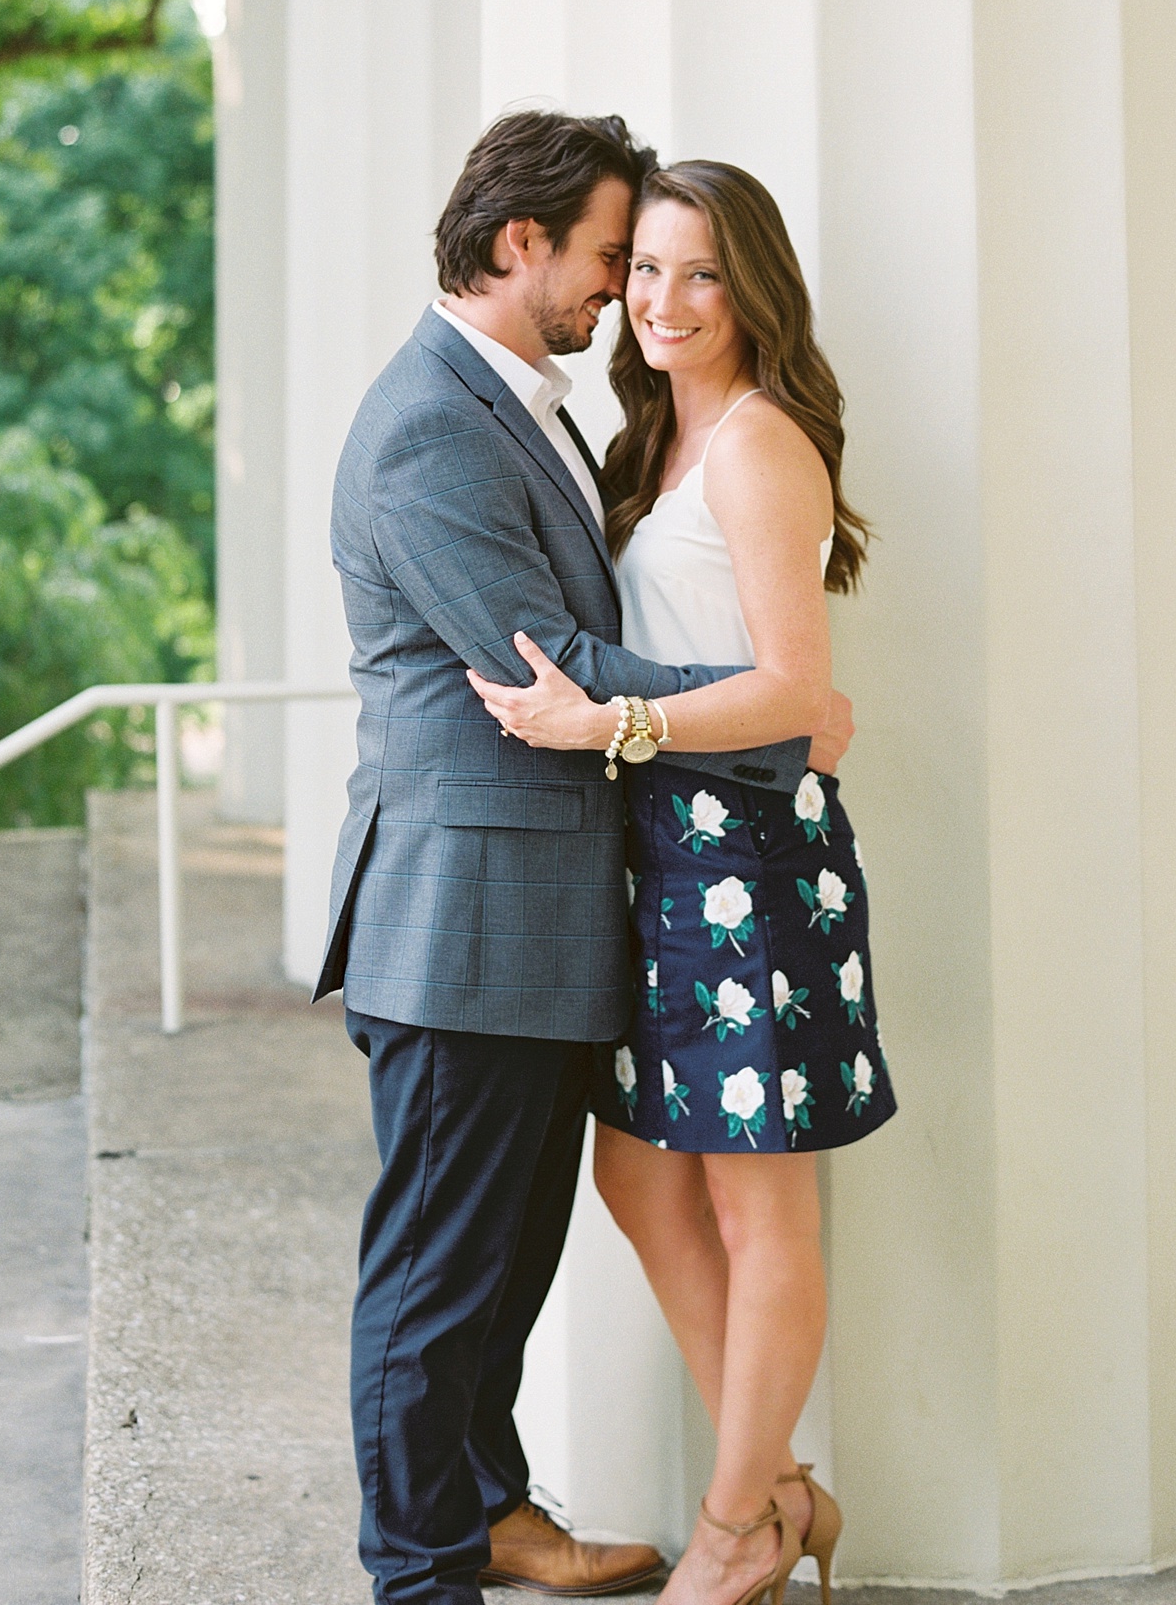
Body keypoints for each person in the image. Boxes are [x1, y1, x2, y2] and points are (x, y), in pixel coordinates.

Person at [317, 113, 831, 1605]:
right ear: (516, 241)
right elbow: (550, 665)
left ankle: (490, 1508)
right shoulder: (426, 424)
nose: (621, 290)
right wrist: (777, 716)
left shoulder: (524, 401)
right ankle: (423, 1574)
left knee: (505, 1261)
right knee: (435, 1277)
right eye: (611, 256)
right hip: (461, 918)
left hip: (544, 920)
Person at [466, 161, 896, 1605]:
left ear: (751, 286)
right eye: (642, 269)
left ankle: (735, 1533)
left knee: (759, 1209)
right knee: (642, 1170)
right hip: (661, 865)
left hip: (753, 865)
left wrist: (611, 724)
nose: (660, 301)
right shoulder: (650, 439)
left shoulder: (762, 444)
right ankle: (775, 1487)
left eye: (699, 273)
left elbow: (793, 688)